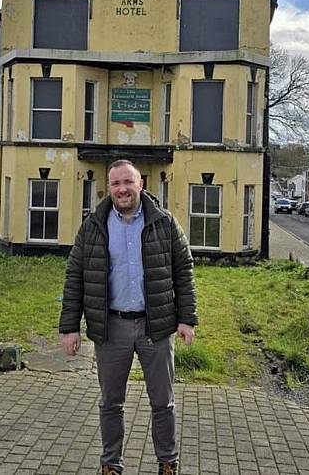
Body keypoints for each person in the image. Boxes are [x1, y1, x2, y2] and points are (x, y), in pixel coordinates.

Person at [59, 159, 198, 475]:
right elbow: (75, 275)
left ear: (141, 185)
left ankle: (168, 462)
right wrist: (70, 327)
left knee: (163, 402)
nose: (122, 189)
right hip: (112, 327)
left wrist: (187, 318)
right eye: (116, 183)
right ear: (109, 188)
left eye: (128, 182)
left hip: (156, 327)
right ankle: (111, 464)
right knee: (111, 403)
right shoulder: (93, 226)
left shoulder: (164, 223)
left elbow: (183, 270)